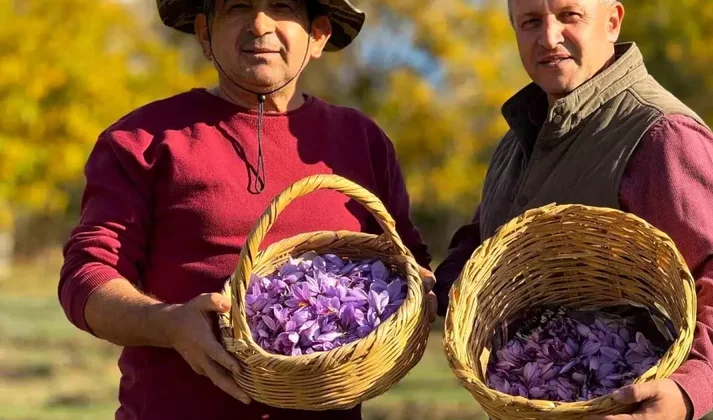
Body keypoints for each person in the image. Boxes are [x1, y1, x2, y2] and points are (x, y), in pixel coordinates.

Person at [57, 0, 436, 419]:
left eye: (281, 6)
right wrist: (169, 323)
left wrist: (423, 296)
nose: (259, 24)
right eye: (238, 6)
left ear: (317, 35)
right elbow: (86, 278)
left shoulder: (361, 141)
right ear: (205, 34)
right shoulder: (142, 140)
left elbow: (408, 263)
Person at [433, 1, 713, 419]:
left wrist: (687, 390)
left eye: (569, 16)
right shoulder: (520, 138)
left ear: (612, 22)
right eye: (531, 22)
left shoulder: (659, 134)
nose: (548, 37)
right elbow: (484, 240)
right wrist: (431, 290)